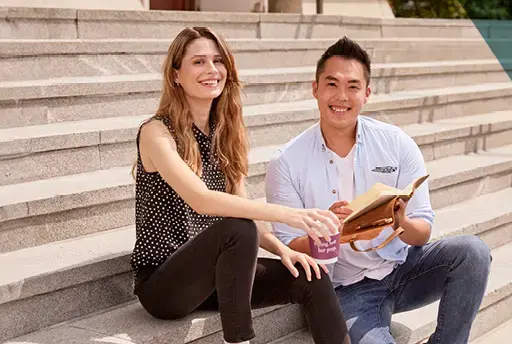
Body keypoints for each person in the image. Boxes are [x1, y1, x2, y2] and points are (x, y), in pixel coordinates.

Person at [129, 26, 350, 344]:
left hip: (217, 276)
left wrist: (283, 250)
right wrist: (288, 215)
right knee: (238, 227)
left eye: (218, 61)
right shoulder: (156, 132)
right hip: (164, 285)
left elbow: (249, 217)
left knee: (311, 275)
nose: (211, 70)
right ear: (176, 74)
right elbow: (201, 199)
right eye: (198, 62)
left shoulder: (224, 133)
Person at [265, 36, 493, 344]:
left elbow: (422, 232)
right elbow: (289, 246)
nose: (341, 96)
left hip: (404, 269)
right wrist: (331, 232)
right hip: (346, 289)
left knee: (473, 253)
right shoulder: (287, 161)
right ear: (315, 89)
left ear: (367, 93)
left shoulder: (395, 143)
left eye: (353, 86)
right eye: (331, 84)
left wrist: (399, 222)